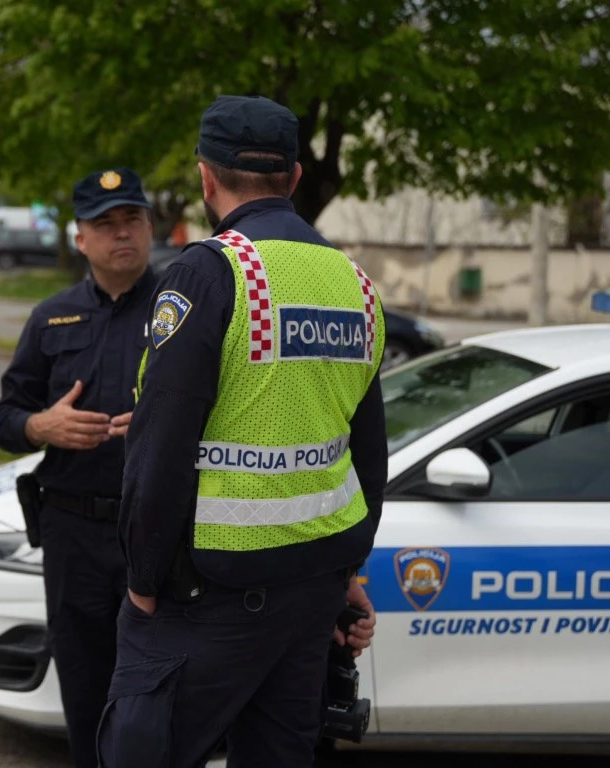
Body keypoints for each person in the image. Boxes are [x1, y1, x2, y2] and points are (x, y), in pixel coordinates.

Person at [99, 95, 388, 768]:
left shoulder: (212, 271)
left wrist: (142, 581)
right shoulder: (354, 282)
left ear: (205, 178)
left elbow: (160, 443)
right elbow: (366, 448)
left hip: (209, 594)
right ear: (291, 177)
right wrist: (346, 567)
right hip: (311, 586)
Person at [0, 167, 157, 768]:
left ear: (149, 226)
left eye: (132, 219)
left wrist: (165, 425)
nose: (122, 234)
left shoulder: (184, 312)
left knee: (157, 699)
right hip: (74, 535)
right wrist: (42, 426)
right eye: (105, 224)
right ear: (79, 238)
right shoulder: (51, 318)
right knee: (84, 695)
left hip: (156, 533)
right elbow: (4, 419)